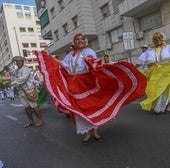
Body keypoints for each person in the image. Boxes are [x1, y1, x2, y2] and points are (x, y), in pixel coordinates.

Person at [35, 33, 147, 145]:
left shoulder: (89, 52)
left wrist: (91, 62)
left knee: (91, 107)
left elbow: (93, 63)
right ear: (74, 42)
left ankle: (95, 131)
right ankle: (87, 133)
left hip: (87, 82)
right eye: (77, 39)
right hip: (73, 84)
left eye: (82, 39)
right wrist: (49, 58)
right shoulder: (70, 55)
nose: (79, 41)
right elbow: (64, 65)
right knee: (79, 110)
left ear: (85, 41)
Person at [4, 56, 44, 127]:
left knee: (34, 106)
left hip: (29, 90)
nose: (18, 63)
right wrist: (8, 69)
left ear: (23, 61)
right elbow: (13, 73)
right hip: (21, 91)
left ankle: (41, 120)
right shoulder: (17, 70)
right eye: (17, 61)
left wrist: (12, 83)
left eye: (20, 61)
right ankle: (31, 121)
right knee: (26, 107)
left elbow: (22, 79)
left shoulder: (26, 69)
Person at [140, 32, 170, 115]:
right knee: (153, 90)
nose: (157, 40)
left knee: (164, 91)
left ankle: (161, 109)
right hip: (155, 74)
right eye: (155, 39)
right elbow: (140, 61)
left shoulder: (168, 48)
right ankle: (158, 108)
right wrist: (131, 69)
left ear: (162, 39)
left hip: (167, 74)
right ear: (153, 41)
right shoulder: (150, 51)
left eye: (159, 38)